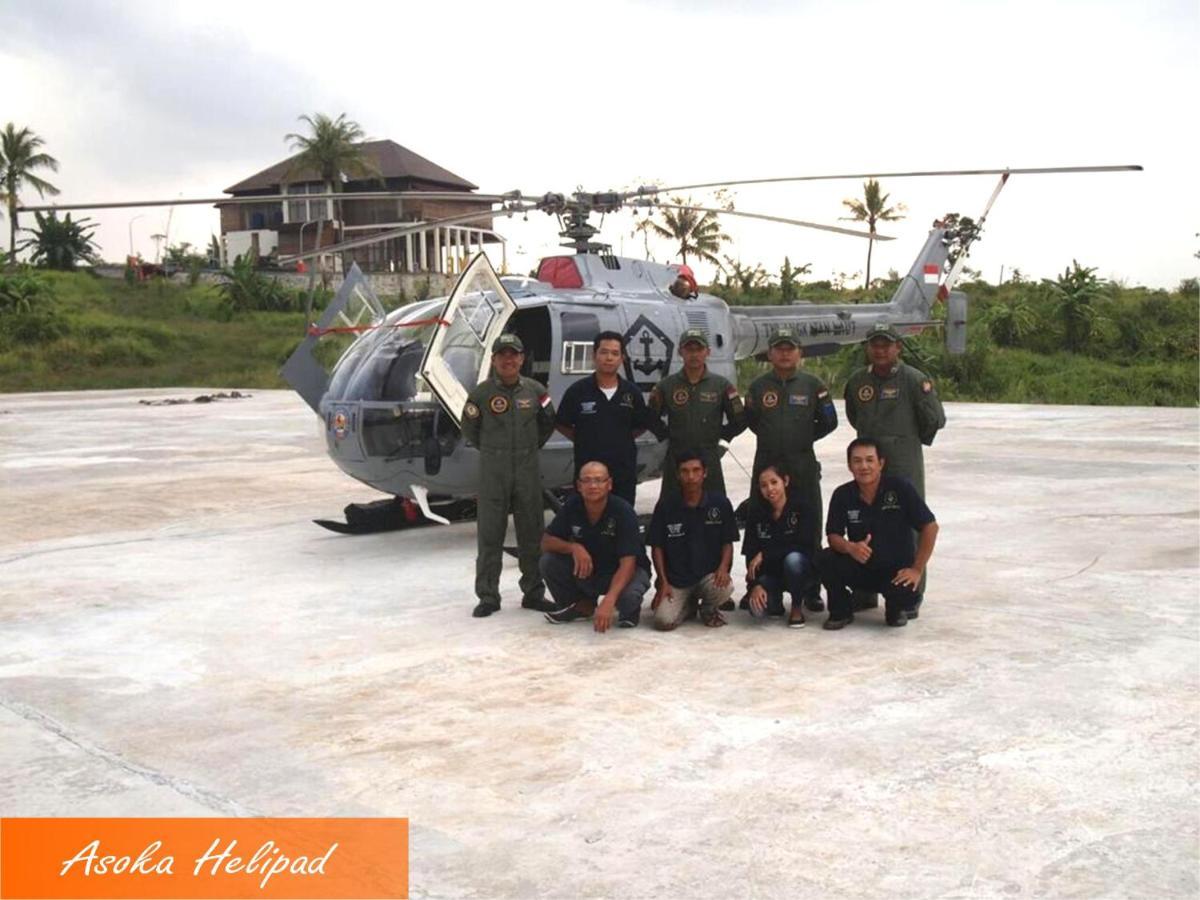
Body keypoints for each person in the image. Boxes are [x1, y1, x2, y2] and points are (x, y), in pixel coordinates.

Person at [843, 325, 946, 612]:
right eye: (875, 345)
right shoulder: (857, 382)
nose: (880, 350)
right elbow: (855, 416)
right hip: (867, 465)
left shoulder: (914, 380)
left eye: (886, 345)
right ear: (868, 348)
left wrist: (902, 440)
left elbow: (934, 419)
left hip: (903, 463)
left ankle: (910, 591)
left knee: (908, 525)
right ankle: (865, 591)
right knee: (864, 524)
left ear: (898, 347)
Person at [461, 333, 557, 618]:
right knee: (490, 535)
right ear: (493, 360)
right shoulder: (480, 394)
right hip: (494, 473)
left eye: (513, 354)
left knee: (532, 533)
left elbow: (547, 421)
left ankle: (533, 592)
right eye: (502, 354)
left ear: (522, 359)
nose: (508, 359)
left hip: (527, 471)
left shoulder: (536, 390)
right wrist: (495, 451)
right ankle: (488, 596)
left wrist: (528, 448)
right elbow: (470, 429)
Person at [744, 326, 837, 610]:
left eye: (790, 348)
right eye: (779, 348)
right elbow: (751, 420)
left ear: (800, 352)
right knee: (758, 524)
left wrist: (803, 439)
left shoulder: (813, 385)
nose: (785, 353)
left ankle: (811, 589)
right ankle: (755, 586)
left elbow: (829, 421)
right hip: (767, 465)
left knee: (809, 527)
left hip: (802, 466)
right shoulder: (758, 387)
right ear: (770, 353)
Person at [818, 437, 939, 630]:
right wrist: (850, 547)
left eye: (869, 460)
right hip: (861, 567)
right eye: (857, 461)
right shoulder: (842, 494)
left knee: (904, 596)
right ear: (849, 466)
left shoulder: (901, 488)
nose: (864, 466)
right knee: (824, 558)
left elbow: (930, 527)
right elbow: (833, 535)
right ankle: (841, 610)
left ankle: (895, 609)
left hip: (895, 572)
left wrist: (917, 569)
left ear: (881, 463)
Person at [540, 461, 652, 632]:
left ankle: (629, 610)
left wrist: (609, 599)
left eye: (599, 480)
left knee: (627, 599)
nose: (593, 485)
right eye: (587, 480)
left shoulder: (623, 511)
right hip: (592, 569)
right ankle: (580, 605)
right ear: (579, 485)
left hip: (624, 571)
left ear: (609, 484)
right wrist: (574, 548)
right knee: (549, 561)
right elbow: (546, 541)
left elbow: (628, 563)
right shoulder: (572, 505)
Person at [555, 331, 658, 505]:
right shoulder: (578, 391)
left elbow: (641, 424)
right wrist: (583, 438)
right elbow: (561, 423)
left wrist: (620, 438)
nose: (609, 358)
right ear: (594, 356)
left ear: (622, 358)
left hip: (623, 473)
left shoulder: (631, 393)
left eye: (615, 353)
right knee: (588, 522)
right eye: (603, 352)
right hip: (588, 475)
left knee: (622, 521)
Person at [648, 328, 746, 501]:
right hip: (677, 457)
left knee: (714, 505)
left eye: (699, 349)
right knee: (672, 506)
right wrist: (666, 435)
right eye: (689, 350)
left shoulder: (721, 385)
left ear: (707, 352)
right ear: (680, 352)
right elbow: (650, 417)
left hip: (709, 456)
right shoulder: (666, 386)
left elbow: (740, 419)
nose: (694, 354)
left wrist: (722, 436)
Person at [647, 452, 739, 630]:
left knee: (724, 588)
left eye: (696, 470)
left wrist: (722, 569)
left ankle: (708, 608)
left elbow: (728, 541)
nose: (691, 477)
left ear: (705, 473)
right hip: (677, 580)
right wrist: (663, 582)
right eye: (685, 471)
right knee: (662, 621)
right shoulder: (666, 505)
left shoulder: (720, 503)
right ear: (678, 474)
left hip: (707, 576)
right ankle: (688, 606)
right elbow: (657, 546)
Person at [742, 464, 818, 628]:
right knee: (757, 612)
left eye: (774, 482)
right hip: (770, 574)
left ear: (785, 481)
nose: (770, 489)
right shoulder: (756, 513)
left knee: (793, 559)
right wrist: (755, 586)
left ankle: (797, 607)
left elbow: (804, 546)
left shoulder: (802, 508)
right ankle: (774, 602)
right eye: (764, 485)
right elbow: (750, 554)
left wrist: (766, 554)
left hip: (799, 570)